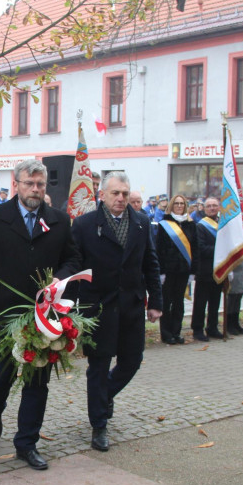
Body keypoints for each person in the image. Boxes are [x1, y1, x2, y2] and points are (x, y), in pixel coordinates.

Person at [0, 159, 80, 471]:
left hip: (44, 316)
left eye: (40, 184)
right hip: (2, 314)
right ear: (16, 185)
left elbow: (72, 258)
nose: (35, 189)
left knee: (37, 381)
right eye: (29, 183)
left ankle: (26, 443)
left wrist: (61, 276)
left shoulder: (58, 219)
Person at [70, 173, 161, 452]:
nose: (121, 198)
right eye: (115, 194)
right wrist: (70, 308)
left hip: (131, 305)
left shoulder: (142, 223)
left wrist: (155, 301)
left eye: (125, 193)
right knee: (98, 366)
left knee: (132, 360)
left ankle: (104, 395)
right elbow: (75, 265)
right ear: (102, 195)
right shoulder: (85, 225)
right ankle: (99, 425)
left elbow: (151, 263)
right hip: (98, 307)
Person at [156, 194, 195, 344]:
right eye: (176, 203)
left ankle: (176, 332)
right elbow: (159, 249)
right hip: (168, 270)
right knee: (166, 302)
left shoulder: (191, 224)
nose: (179, 206)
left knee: (179, 303)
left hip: (184, 270)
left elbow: (195, 249)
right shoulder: (164, 224)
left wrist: (193, 271)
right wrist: (161, 272)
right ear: (171, 205)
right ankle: (166, 334)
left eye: (182, 204)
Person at [190, 196, 224, 341]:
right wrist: (220, 249)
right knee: (200, 302)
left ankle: (212, 327)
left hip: (219, 269)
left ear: (219, 207)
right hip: (204, 270)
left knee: (215, 301)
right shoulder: (201, 226)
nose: (212, 208)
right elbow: (201, 248)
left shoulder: (222, 225)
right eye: (209, 206)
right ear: (204, 208)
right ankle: (197, 329)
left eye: (214, 205)